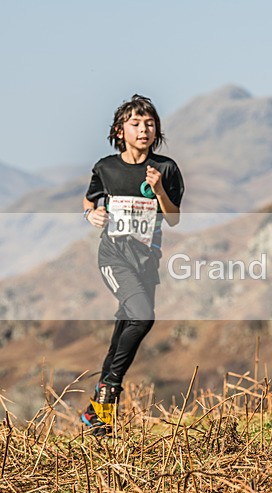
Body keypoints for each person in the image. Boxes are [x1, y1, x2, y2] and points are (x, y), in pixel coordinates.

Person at [80, 95, 184, 436]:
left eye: (150, 124)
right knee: (142, 316)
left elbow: (173, 218)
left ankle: (97, 414)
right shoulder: (106, 168)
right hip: (114, 257)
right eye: (136, 124)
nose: (144, 130)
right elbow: (89, 200)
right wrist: (90, 215)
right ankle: (109, 389)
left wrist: (159, 190)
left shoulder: (166, 168)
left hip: (147, 261)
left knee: (125, 328)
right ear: (119, 131)